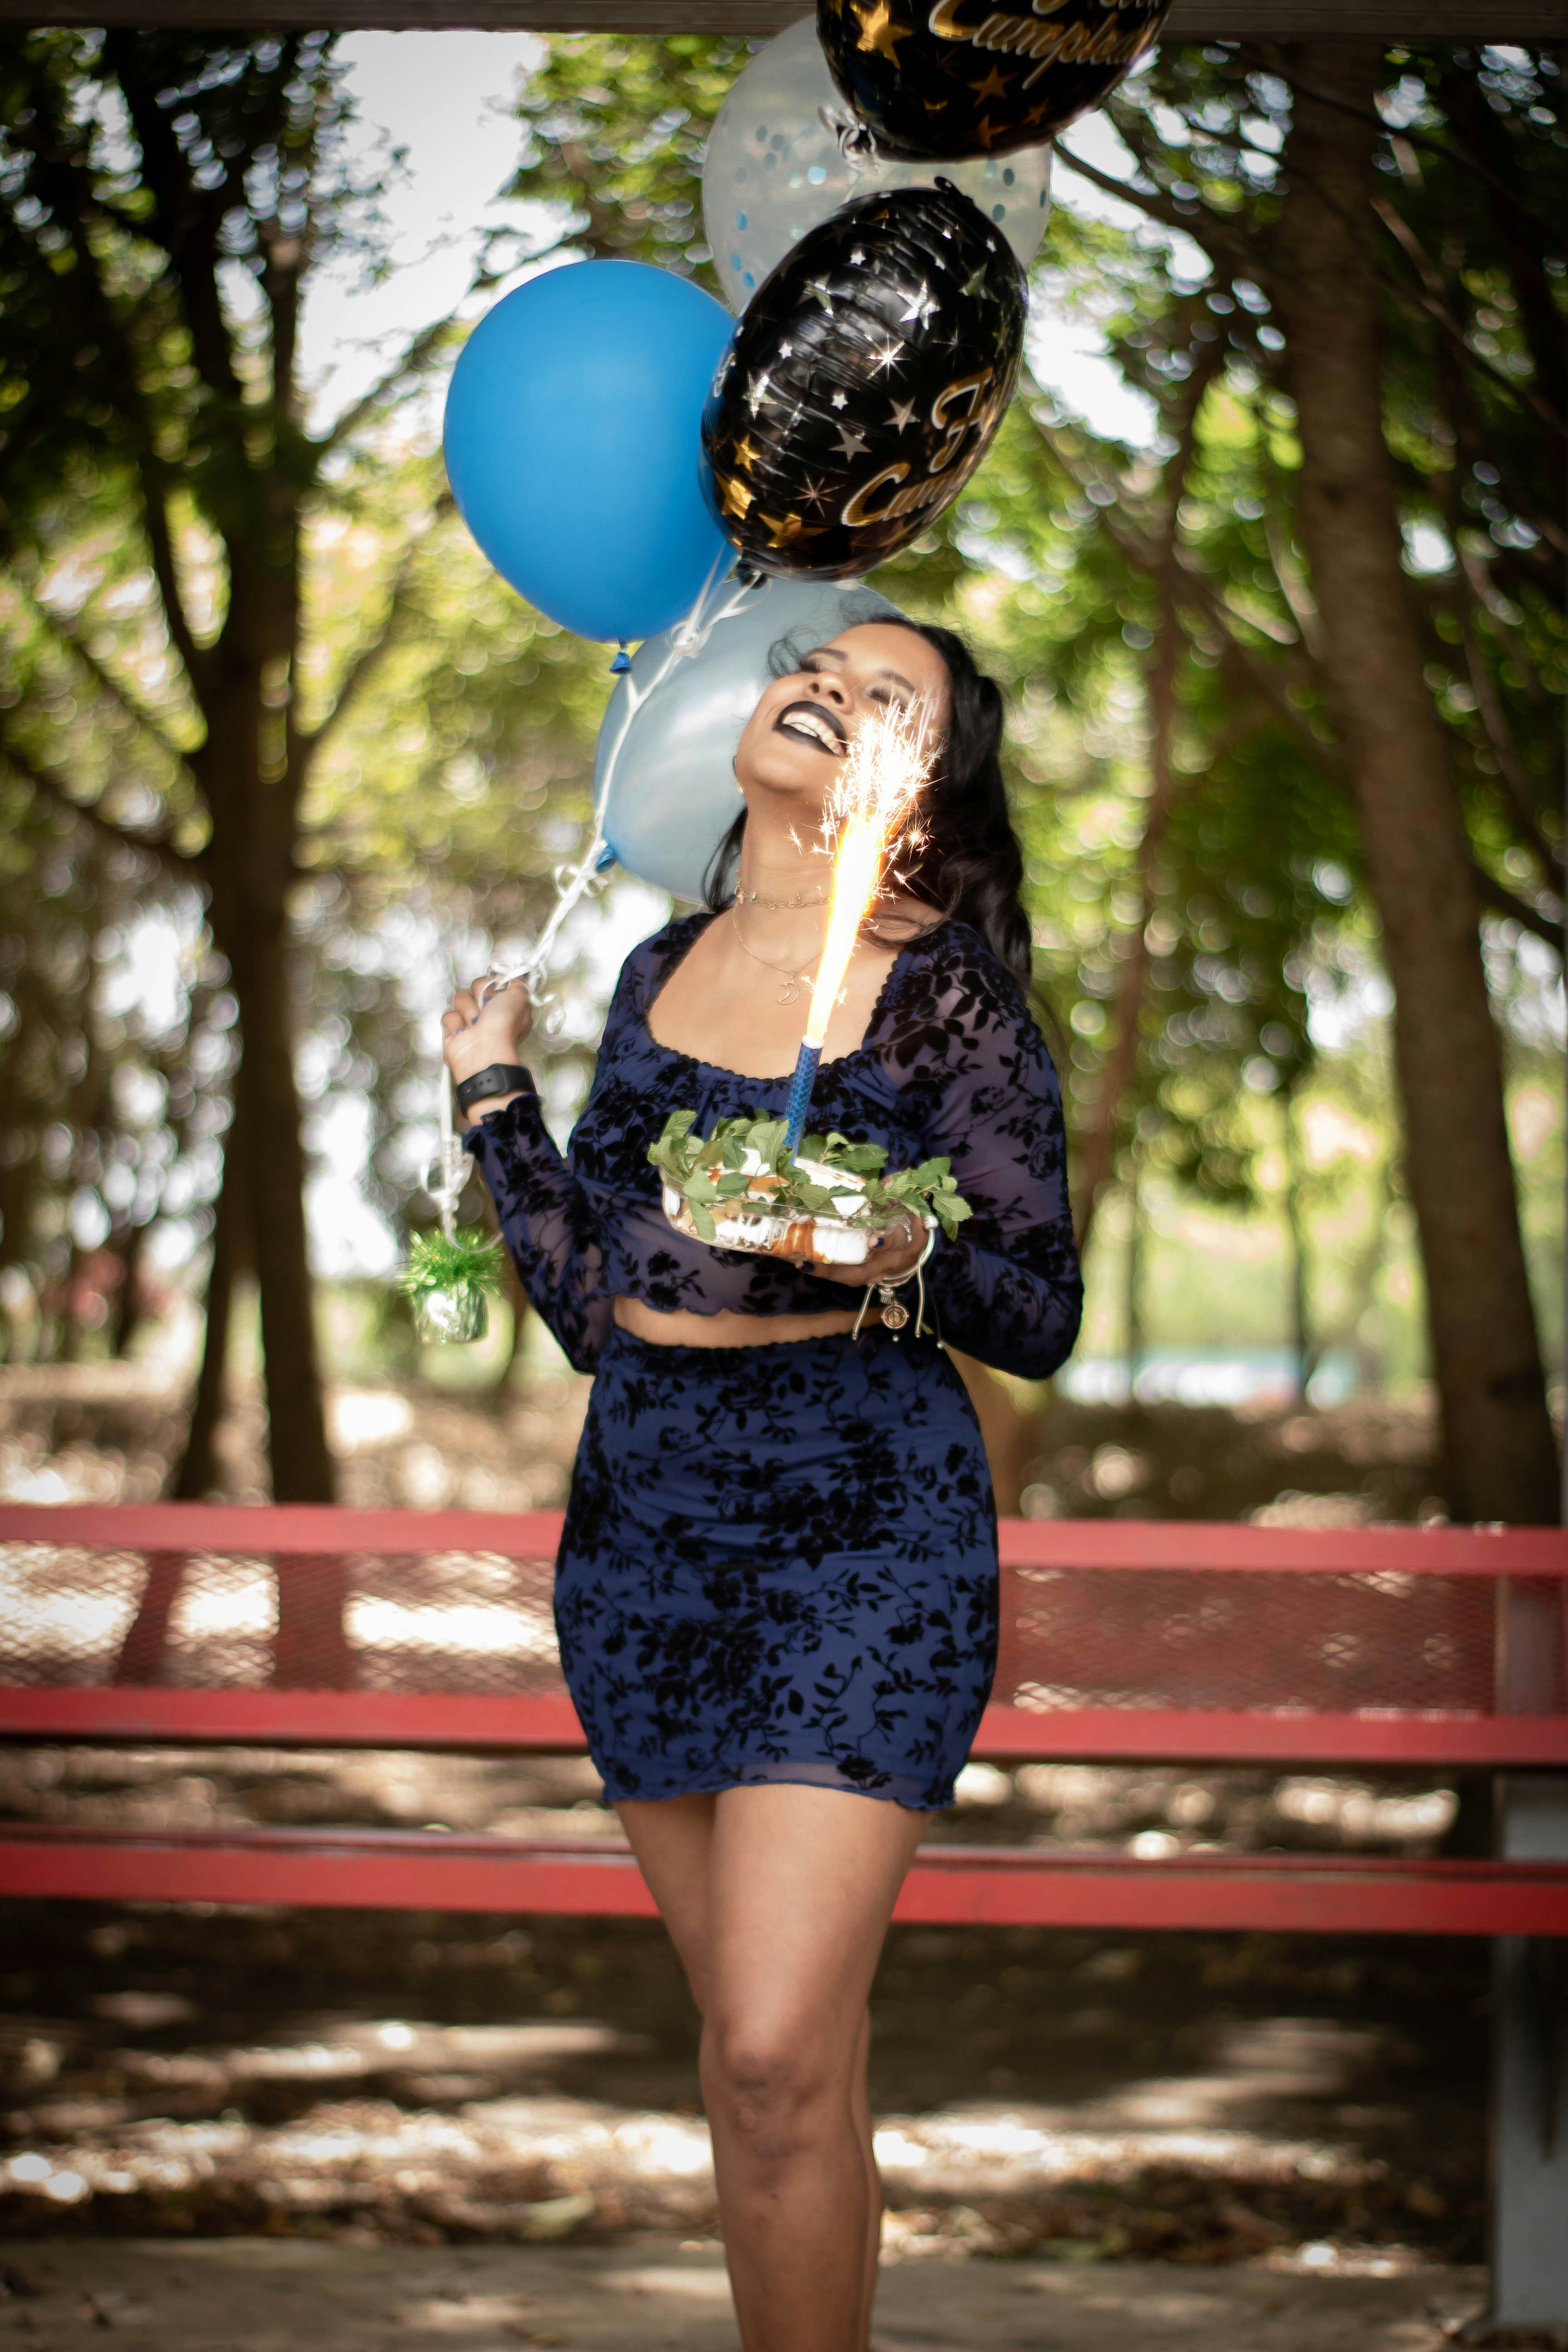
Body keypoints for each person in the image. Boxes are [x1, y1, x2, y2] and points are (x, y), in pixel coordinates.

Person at [442, 617, 1081, 2352]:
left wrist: (886, 1247)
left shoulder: (939, 988)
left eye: (889, 696)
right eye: (818, 660)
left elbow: (1038, 1305)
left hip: (859, 1528)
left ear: (930, 791)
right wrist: (497, 1102)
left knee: (772, 2051)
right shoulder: (658, 969)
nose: (827, 687)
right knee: (775, 2083)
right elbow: (595, 1309)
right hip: (643, 1533)